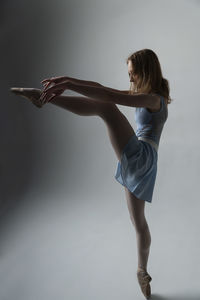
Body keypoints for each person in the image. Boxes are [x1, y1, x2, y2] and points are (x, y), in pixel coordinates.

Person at [10, 48, 171, 299]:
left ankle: (44, 100)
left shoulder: (153, 99)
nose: (130, 80)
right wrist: (68, 81)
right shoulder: (145, 96)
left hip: (142, 156)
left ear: (146, 72)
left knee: (105, 108)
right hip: (145, 161)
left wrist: (69, 82)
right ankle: (142, 271)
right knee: (138, 223)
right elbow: (103, 89)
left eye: (133, 74)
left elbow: (106, 95)